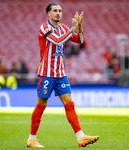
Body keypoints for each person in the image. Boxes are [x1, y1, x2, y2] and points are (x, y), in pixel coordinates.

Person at [27, 3, 99, 148]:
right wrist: (72, 28)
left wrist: (79, 26)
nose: (58, 13)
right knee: (41, 105)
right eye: (55, 11)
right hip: (46, 74)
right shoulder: (44, 28)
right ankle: (31, 139)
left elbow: (80, 40)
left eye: (60, 11)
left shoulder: (63, 28)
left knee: (69, 104)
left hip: (61, 74)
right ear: (48, 13)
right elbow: (58, 40)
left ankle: (81, 137)